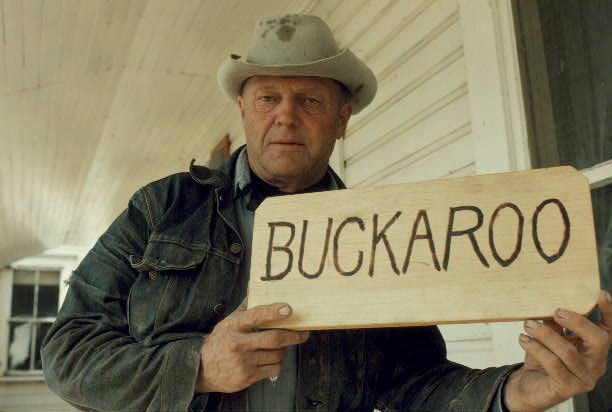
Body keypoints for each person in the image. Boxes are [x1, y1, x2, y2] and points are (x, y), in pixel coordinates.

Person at [42, 13, 611, 412]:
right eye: (268, 98)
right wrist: (198, 366)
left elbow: (414, 383)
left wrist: (519, 391)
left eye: (310, 100)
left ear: (342, 119)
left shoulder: (379, 236)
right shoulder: (161, 207)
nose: (285, 117)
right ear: (243, 108)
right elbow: (67, 354)